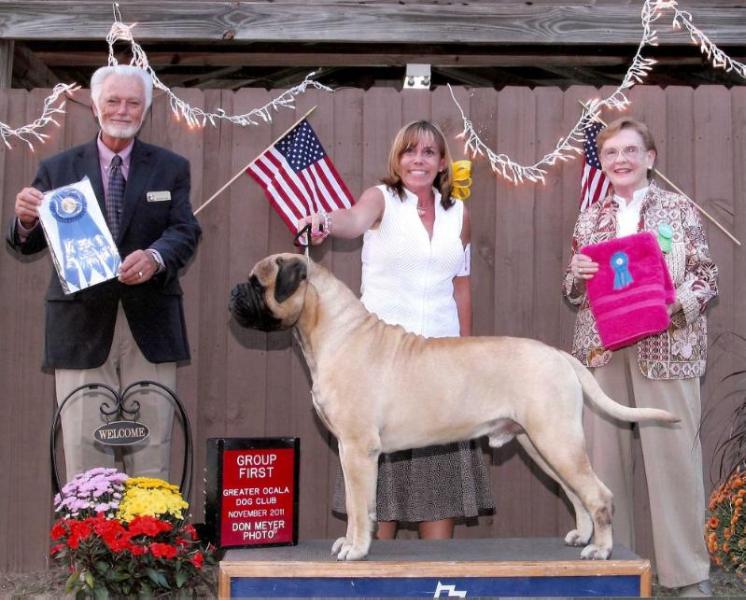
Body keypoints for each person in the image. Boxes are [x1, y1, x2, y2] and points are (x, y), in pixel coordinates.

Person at [298, 120, 494, 540]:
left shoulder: (459, 214)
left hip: (441, 359)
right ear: (397, 159)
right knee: (375, 473)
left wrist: (468, 352)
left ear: (443, 162)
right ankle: (373, 570)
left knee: (440, 475)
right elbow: (351, 220)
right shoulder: (380, 199)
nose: (417, 160)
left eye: (427, 152)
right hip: (379, 362)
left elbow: (462, 287)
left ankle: (435, 571)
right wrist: (326, 222)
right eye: (408, 151)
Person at [6, 65, 201, 483]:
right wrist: (24, 221)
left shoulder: (171, 168)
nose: (123, 110)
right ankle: (90, 550)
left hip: (150, 327)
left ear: (146, 110)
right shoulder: (57, 168)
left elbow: (185, 231)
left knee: (152, 453)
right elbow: (30, 242)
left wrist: (155, 257)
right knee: (83, 455)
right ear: (95, 107)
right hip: (79, 327)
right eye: (113, 100)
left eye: (133, 102)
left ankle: (151, 549)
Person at [562, 117, 718, 596]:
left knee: (674, 466)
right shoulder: (590, 218)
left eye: (630, 151)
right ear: (602, 162)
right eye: (611, 153)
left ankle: (687, 577)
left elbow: (706, 278)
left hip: (667, 347)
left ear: (649, 158)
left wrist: (674, 303)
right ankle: (614, 572)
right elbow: (572, 292)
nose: (620, 160)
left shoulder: (681, 210)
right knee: (602, 465)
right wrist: (577, 272)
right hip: (602, 349)